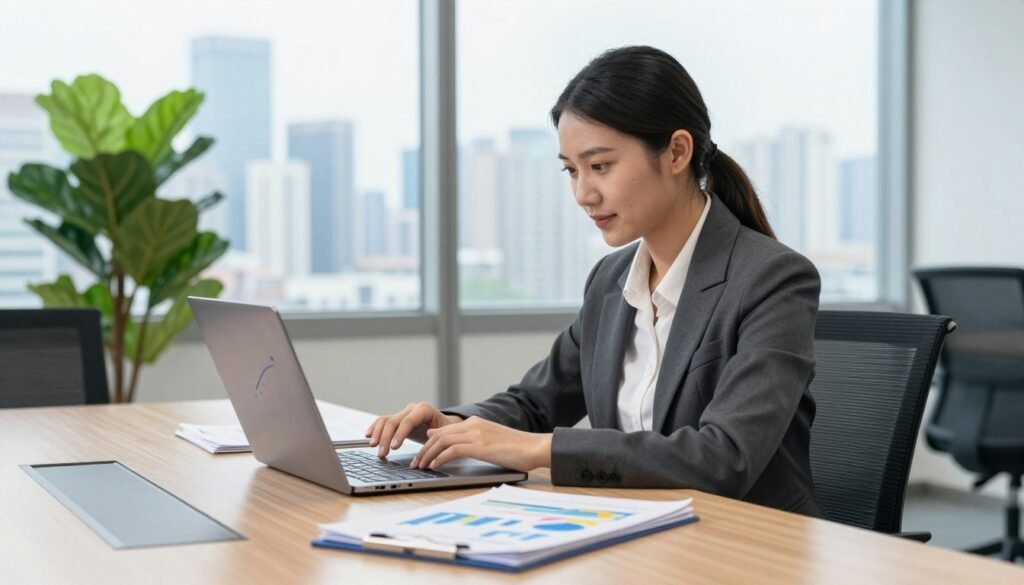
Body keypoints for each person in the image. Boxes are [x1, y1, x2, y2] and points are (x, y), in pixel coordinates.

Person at [366, 45, 822, 516]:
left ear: (676, 152)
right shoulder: (611, 280)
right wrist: (454, 424)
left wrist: (537, 451)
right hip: (640, 531)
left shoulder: (773, 280)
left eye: (600, 166)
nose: (584, 194)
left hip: (749, 543)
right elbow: (536, 403)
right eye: (571, 170)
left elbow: (724, 457)